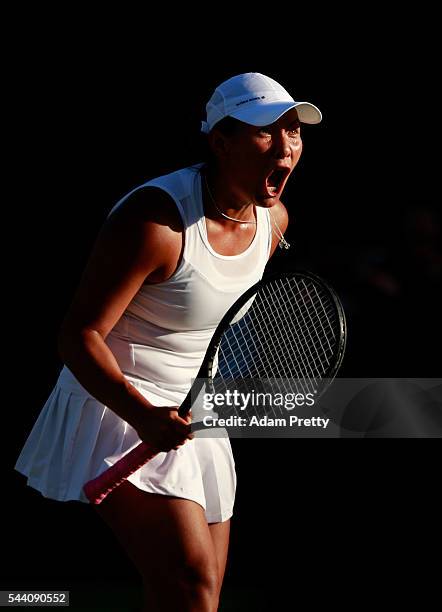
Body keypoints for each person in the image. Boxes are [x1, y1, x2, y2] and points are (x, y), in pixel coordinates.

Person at [15, 72, 321, 611]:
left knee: (193, 596)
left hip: (193, 413)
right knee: (191, 586)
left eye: (293, 131)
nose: (285, 146)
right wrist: (142, 414)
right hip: (115, 400)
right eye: (265, 132)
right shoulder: (154, 221)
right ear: (220, 141)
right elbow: (77, 334)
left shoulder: (274, 221)